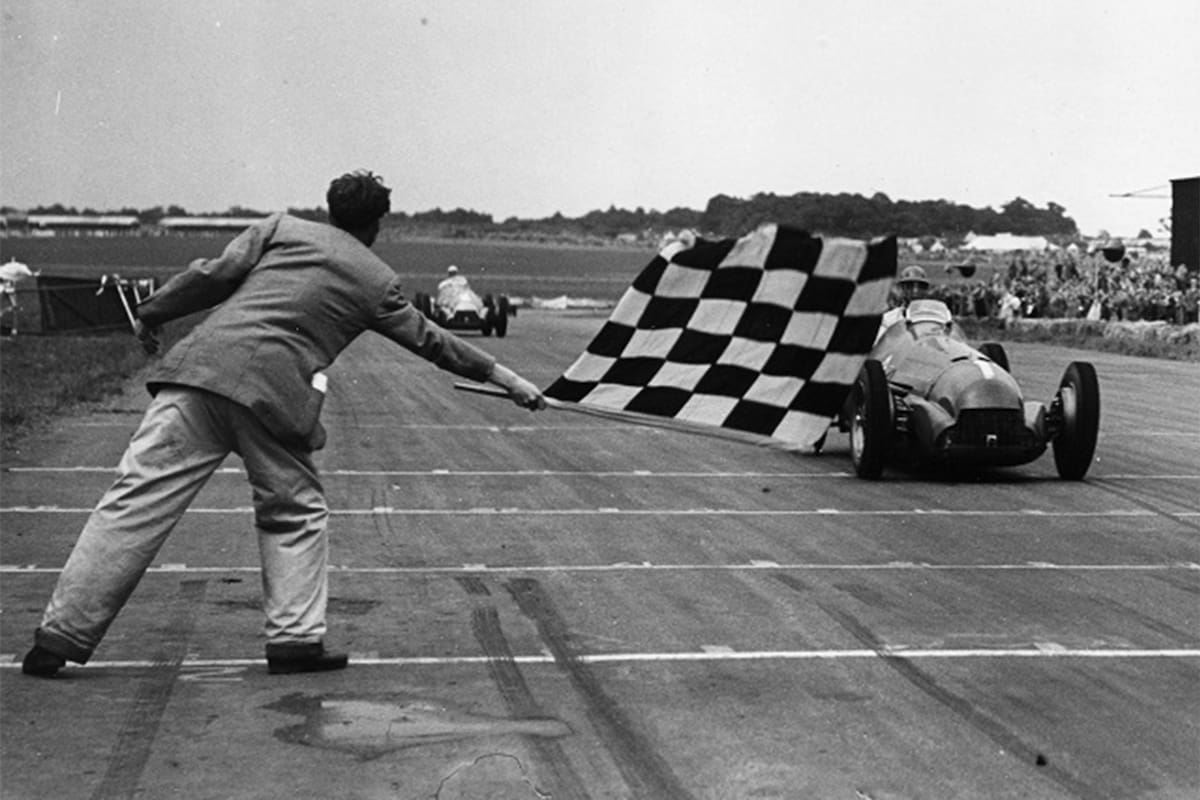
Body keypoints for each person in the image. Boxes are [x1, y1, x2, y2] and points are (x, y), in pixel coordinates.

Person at [22, 170, 546, 678]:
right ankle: (295, 639)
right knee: (295, 510)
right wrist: (509, 379)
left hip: (194, 376)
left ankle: (58, 637)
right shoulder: (376, 280)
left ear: (329, 208)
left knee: (131, 504)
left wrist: (153, 311)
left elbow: (212, 276)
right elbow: (434, 342)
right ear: (377, 224)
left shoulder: (279, 228)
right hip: (272, 398)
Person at [876, 264, 931, 342]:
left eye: (920, 287)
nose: (915, 291)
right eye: (910, 286)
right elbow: (879, 345)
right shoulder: (889, 320)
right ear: (901, 288)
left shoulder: (934, 318)